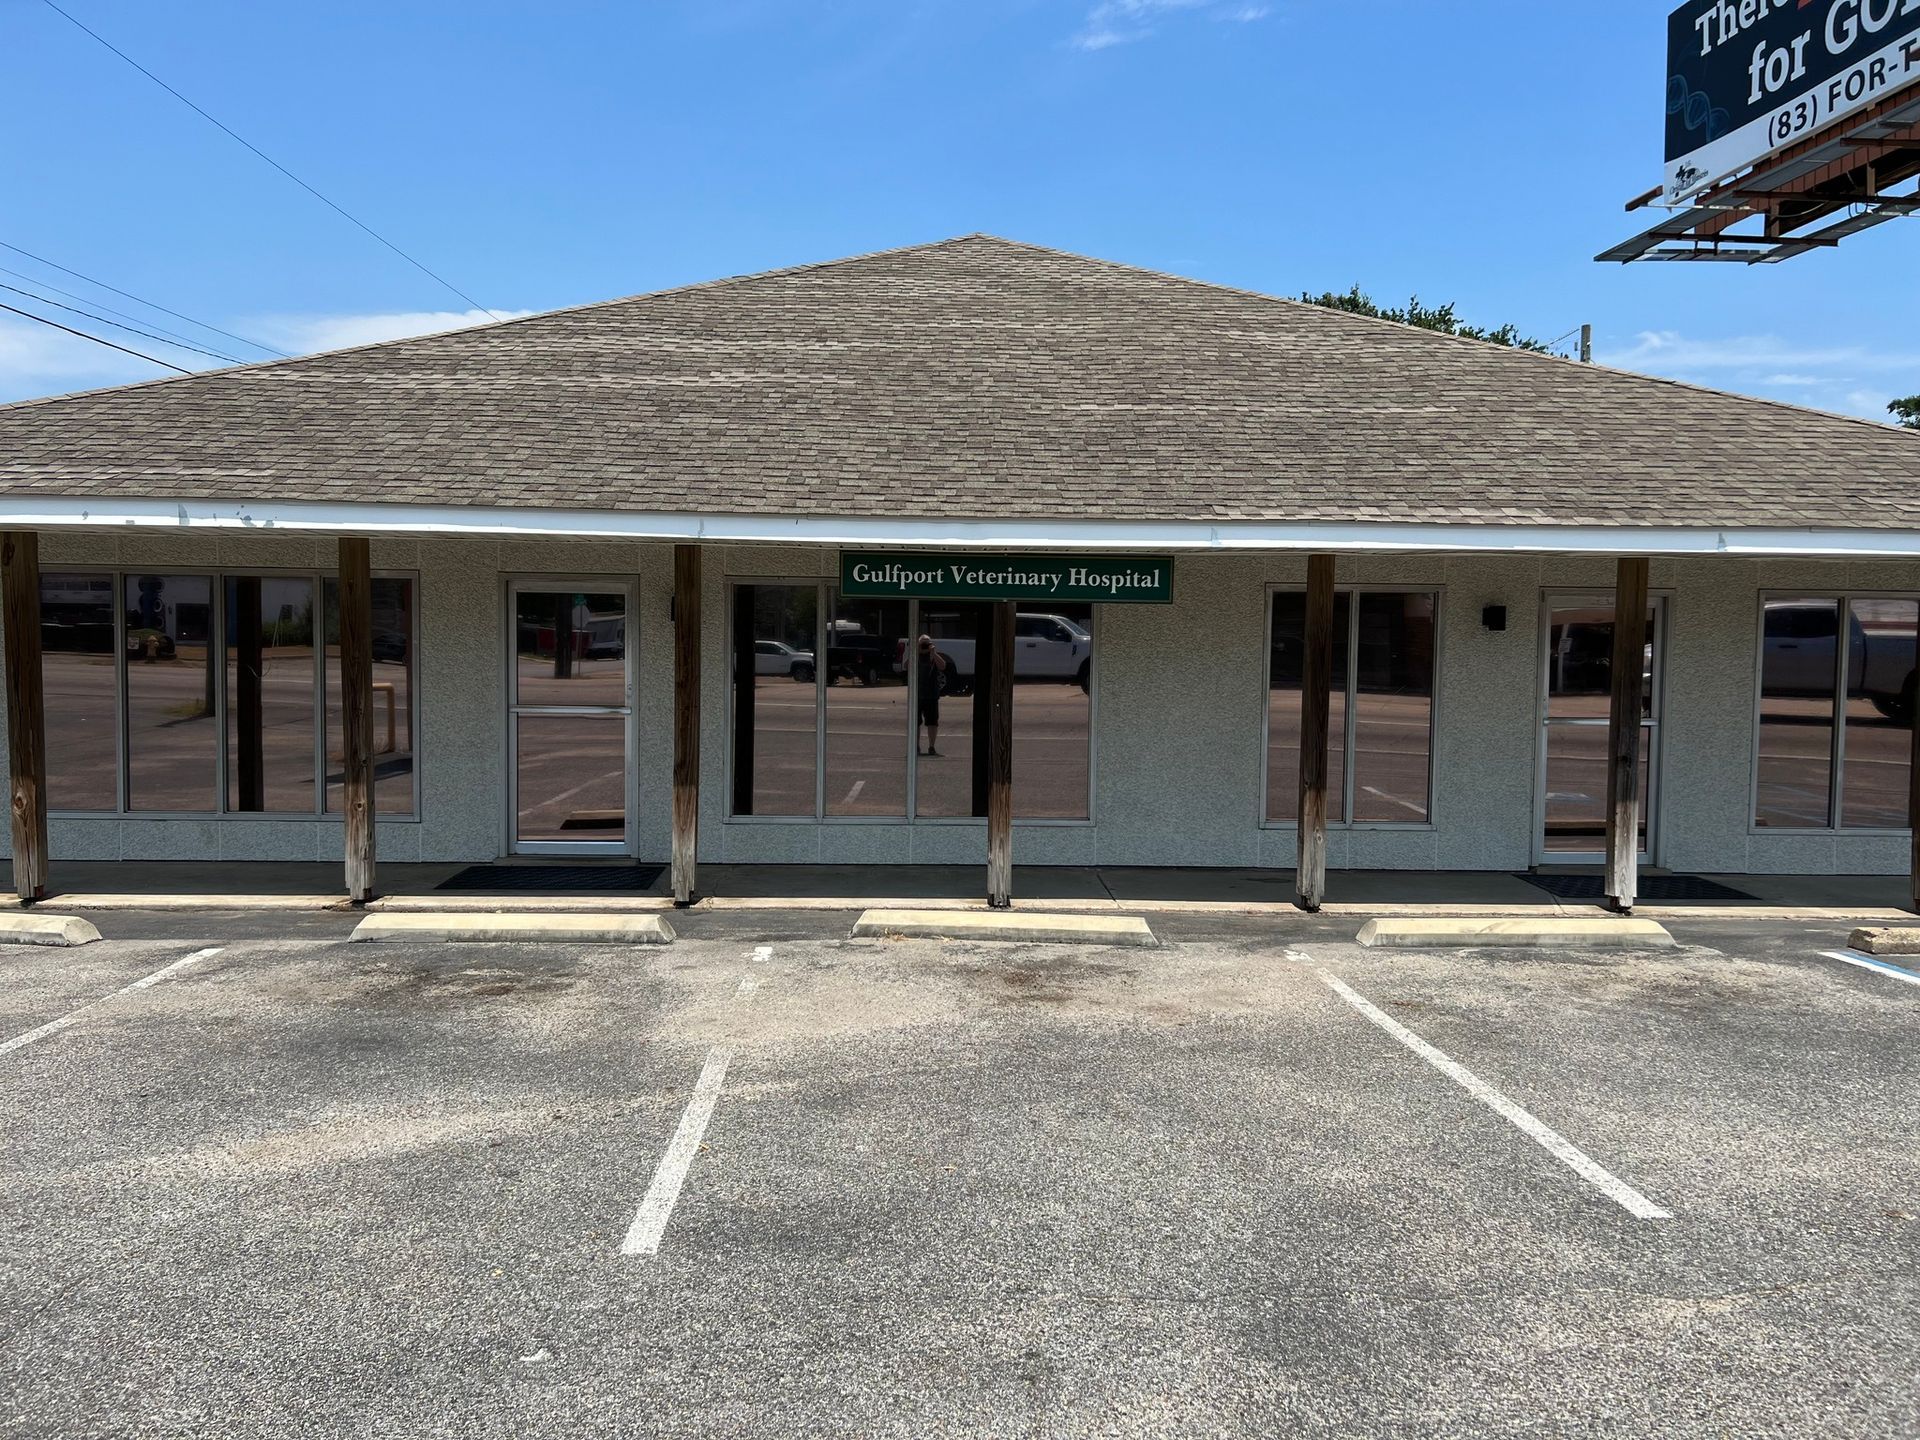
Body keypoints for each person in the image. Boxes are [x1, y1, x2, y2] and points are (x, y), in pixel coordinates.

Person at [915, 634, 948, 757]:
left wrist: (933, 653)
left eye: (927, 643)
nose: (924, 646)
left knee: (932, 722)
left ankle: (931, 746)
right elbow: (906, 666)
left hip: (931, 695)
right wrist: (917, 651)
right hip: (917, 695)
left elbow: (943, 666)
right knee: (915, 722)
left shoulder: (933, 656)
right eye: (922, 643)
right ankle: (916, 745)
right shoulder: (915, 655)